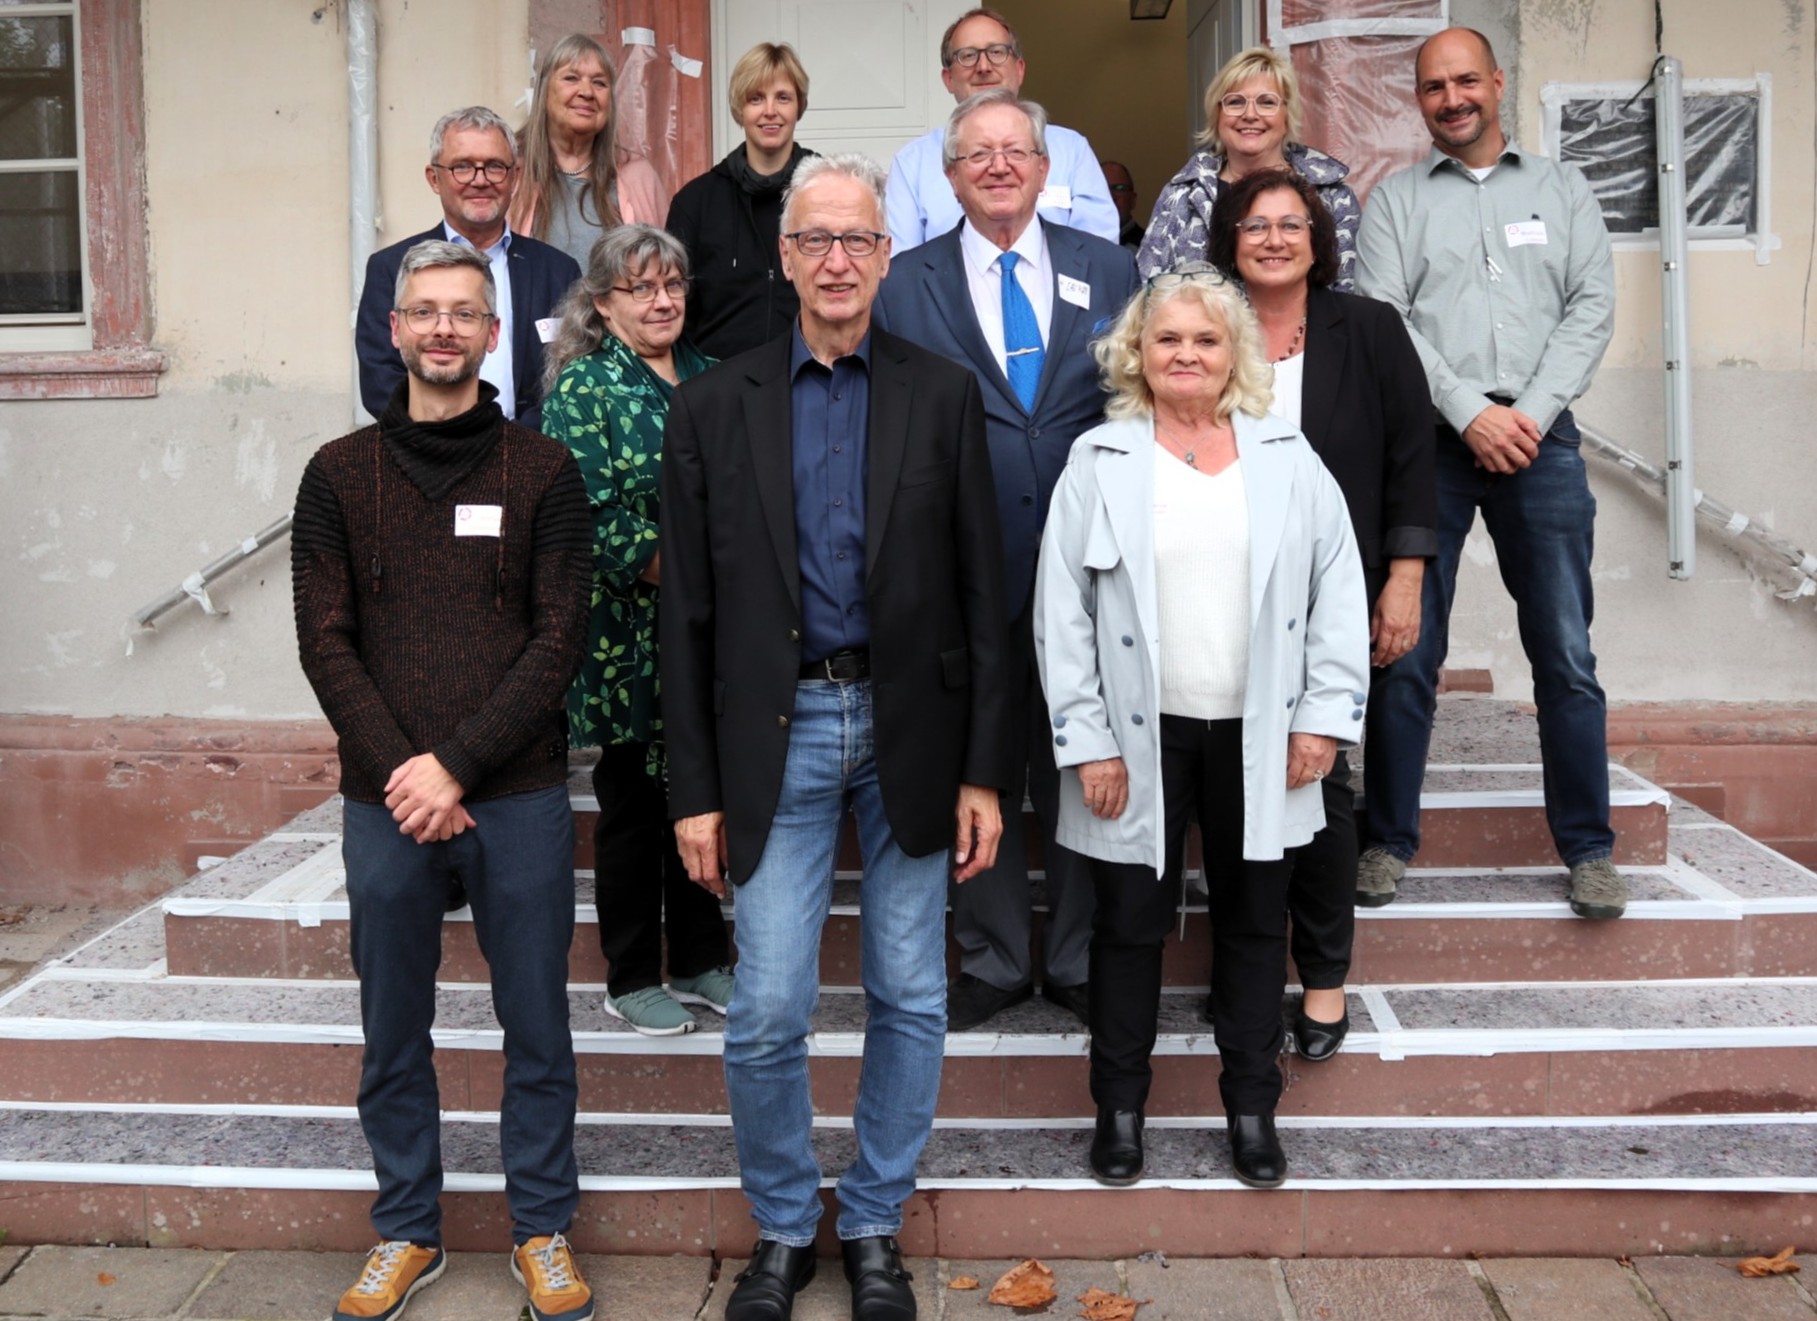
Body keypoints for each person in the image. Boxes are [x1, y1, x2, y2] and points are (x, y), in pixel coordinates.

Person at [660, 154, 1011, 1321]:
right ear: (783, 256)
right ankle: (777, 1227)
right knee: (767, 1005)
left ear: (887, 253)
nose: (836, 261)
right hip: (780, 729)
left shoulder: (941, 392)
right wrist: (692, 791)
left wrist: (981, 771)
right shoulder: (714, 405)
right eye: (814, 240)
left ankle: (869, 1224)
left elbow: (980, 594)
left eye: (857, 239)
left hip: (912, 724)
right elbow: (685, 617)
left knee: (910, 992)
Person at [293, 241, 594, 1321]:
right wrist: (406, 771)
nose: (442, 331)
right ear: (395, 328)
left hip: (511, 793)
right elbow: (325, 642)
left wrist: (456, 762)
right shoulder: (336, 474)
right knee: (393, 1028)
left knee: (538, 1026)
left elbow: (559, 636)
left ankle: (541, 1228)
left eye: (463, 313)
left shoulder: (543, 473)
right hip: (385, 801)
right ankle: (405, 1228)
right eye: (423, 312)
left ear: (491, 333)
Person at [1034, 266, 1368, 1191]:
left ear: (1234, 356)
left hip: (1262, 737)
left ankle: (1252, 1110)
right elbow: (1058, 612)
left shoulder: (1287, 455)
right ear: (1136, 352)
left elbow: (1337, 593)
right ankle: (1119, 1111)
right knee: (1128, 926)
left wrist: (1322, 721)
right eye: (1168, 338)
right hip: (1138, 740)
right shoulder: (1098, 459)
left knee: (1258, 924)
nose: (1186, 354)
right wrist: (1088, 737)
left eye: (1206, 340)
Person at [875, 89, 1139, 1032]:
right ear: (949, 175)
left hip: (1090, 563)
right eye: (975, 153)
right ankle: (990, 954)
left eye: (1013, 151)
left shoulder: (1109, 268)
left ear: (1042, 168)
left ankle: (1070, 953)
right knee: (973, 753)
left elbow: (1138, 404)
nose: (995, 165)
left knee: (1079, 758)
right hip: (957, 564)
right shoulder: (904, 282)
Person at [1355, 27, 1621, 917]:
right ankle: (1386, 840)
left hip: (1541, 441)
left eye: (1465, 80)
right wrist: (1467, 410)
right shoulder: (1392, 203)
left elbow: (1590, 307)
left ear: (1496, 83)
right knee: (1404, 652)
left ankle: (1587, 848)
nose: (1451, 98)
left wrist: (1529, 416)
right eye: (1433, 87)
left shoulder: (1563, 188)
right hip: (1429, 443)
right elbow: (1386, 321)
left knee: (1566, 655)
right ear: (1419, 99)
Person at [1206, 169, 1436, 1059]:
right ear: (1229, 238)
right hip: (1225, 595)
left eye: (1289, 224)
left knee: (1322, 785)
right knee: (1232, 790)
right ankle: (1245, 976)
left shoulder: (1368, 330)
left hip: (1339, 593)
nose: (1272, 238)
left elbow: (1411, 459)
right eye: (1254, 225)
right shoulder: (1206, 330)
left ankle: (1326, 979)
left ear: (1317, 236)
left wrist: (1404, 579)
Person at [539, 225, 729, 1037]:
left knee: (700, 792)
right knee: (633, 808)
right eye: (641, 288)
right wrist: (704, 581)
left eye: (673, 284)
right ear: (603, 304)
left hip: (714, 630)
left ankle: (696, 956)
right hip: (628, 636)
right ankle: (628, 971)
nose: (662, 301)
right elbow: (593, 521)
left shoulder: (716, 378)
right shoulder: (582, 390)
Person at [355, 106, 580, 429]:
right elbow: (379, 379)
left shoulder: (558, 272)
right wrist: (452, 439)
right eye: (462, 167)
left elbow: (571, 377)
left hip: (528, 458)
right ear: (434, 178)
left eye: (494, 167)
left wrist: (513, 443)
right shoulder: (390, 268)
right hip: (425, 455)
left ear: (514, 178)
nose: (480, 180)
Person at [885, 7, 1117, 252]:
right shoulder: (912, 164)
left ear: (1019, 69)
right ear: (948, 78)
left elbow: (1097, 258)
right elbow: (901, 271)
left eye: (997, 52)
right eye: (968, 55)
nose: (984, 66)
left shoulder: (1072, 151)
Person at [1138, 46, 1360, 289]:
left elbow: (1348, 294)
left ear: (1287, 115)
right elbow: (1146, 291)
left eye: (1267, 102)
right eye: (1235, 102)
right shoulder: (1181, 195)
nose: (1250, 114)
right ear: (1217, 115)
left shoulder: (1331, 195)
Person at [665, 42, 816, 358]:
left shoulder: (827, 192)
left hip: (813, 378)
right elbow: (672, 305)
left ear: (799, 106)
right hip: (719, 386)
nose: (770, 111)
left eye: (783, 98)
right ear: (739, 108)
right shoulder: (695, 203)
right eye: (756, 98)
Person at [511, 34, 669, 268]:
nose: (586, 92)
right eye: (571, 78)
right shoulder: (510, 172)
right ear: (544, 93)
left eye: (599, 82)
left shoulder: (638, 176)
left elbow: (662, 271)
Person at [1101, 159, 1144, 251]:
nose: (1111, 196)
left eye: (1119, 188)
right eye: (1103, 188)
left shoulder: (1153, 248)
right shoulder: (1074, 246)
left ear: (1132, 200)